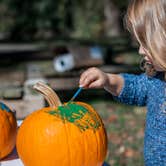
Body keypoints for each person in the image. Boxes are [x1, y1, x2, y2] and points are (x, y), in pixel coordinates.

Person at [79, 0, 166, 165]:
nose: (140, 50)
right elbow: (138, 88)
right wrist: (108, 80)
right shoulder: (158, 80)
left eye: (146, 43)